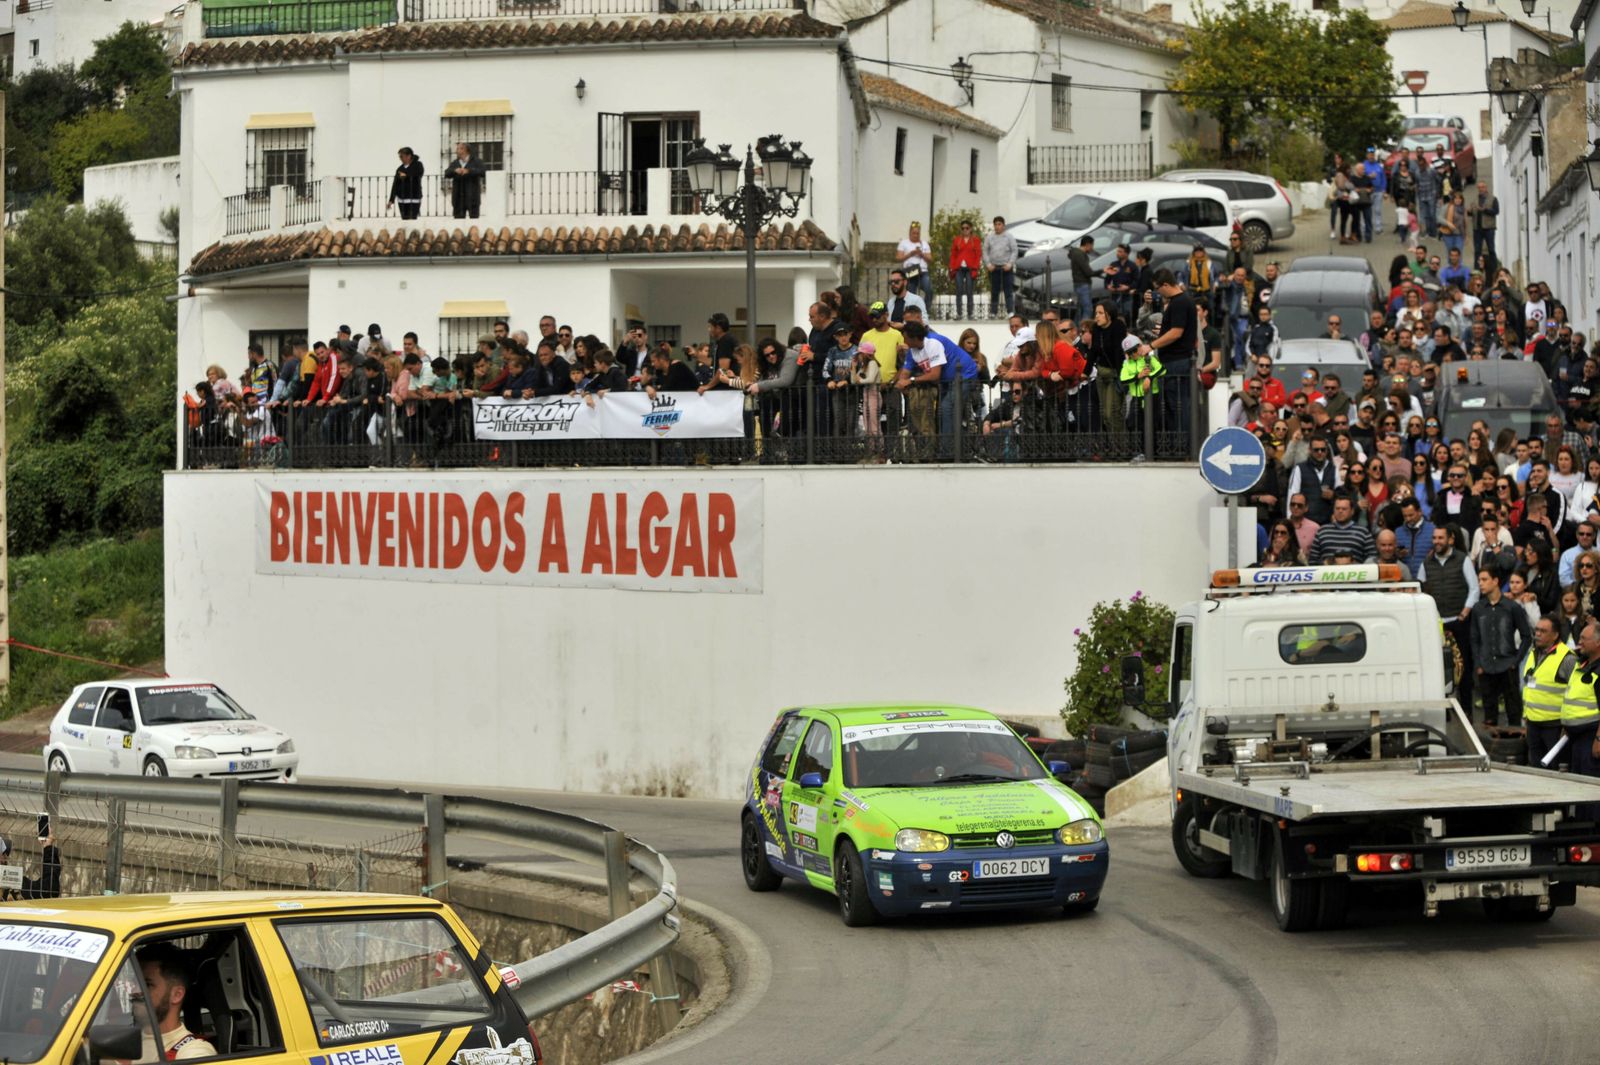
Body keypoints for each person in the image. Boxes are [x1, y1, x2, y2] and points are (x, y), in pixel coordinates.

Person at [1421, 524, 1479, 713]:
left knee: (1464, 667)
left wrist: (1465, 612)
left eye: (1440, 538)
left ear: (1450, 539)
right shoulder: (1426, 562)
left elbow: (1474, 588)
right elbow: (1420, 589)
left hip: (1458, 621)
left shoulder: (1463, 560)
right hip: (1435, 623)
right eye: (1434, 538)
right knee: (1436, 667)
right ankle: (1441, 710)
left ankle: (1467, 711)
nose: (1437, 542)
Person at [1471, 566, 1532, 727]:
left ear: (1496, 581)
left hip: (1507, 664)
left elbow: (1526, 636)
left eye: (1484, 580)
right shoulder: (1478, 609)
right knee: (1489, 711)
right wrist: (1478, 663)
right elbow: (1474, 638)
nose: (1481, 584)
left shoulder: (1512, 607)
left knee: (1513, 709)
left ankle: (1516, 746)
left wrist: (1515, 661)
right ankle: (1490, 748)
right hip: (1486, 665)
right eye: (1479, 580)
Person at [136, 943, 217, 1060]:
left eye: (147, 984)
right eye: (135, 982)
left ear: (176, 994)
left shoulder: (195, 1051)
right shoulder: (122, 1042)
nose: (134, 991)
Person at [1523, 614, 1577, 767]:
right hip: (1532, 724)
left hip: (1555, 727)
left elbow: (1576, 693)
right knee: (1535, 767)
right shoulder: (1533, 653)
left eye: (1543, 631)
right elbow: (1529, 688)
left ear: (1555, 635)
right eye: (1536, 630)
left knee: (1555, 768)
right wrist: (1526, 718)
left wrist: (1568, 725)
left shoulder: (1567, 659)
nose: (1537, 634)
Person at [1148, 268, 1196, 438]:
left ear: (1166, 285)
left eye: (1158, 288)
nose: (1158, 293)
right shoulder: (1182, 301)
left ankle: (1181, 445)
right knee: (1173, 405)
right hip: (1175, 361)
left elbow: (1176, 332)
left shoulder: (1179, 302)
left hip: (1176, 362)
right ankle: (1179, 443)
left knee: (1177, 406)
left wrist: (1151, 345)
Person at [1562, 618, 1600, 779]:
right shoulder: (1582, 665)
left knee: (1589, 786)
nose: (1579, 642)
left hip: (1590, 737)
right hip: (1575, 737)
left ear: (1598, 643)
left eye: (1584, 639)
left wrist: (1599, 739)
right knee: (1577, 783)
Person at [1309, 496, 1375, 563]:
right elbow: (1312, 560)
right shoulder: (1322, 531)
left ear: (1352, 511)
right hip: (1327, 572)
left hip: (1355, 572)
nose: (1340, 511)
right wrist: (1327, 563)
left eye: (1344, 509)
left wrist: (1354, 564)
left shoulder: (1363, 532)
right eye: (1337, 508)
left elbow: (1372, 558)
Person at [0, 831, 60, 901]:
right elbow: (50, 889)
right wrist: (48, 847)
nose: (6, 856)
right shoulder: (14, 884)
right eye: (4, 854)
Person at [983, 216, 1017, 316]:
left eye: (999, 224)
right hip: (994, 267)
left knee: (1008, 290)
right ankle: (993, 312)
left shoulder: (1009, 237)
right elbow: (985, 251)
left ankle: (1010, 311)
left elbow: (1014, 250)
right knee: (994, 290)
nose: (997, 227)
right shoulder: (989, 237)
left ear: (1003, 225)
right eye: (995, 225)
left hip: (1006, 267)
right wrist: (988, 264)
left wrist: (1010, 263)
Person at [948, 219, 981, 319]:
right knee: (959, 290)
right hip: (959, 268)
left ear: (970, 229)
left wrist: (975, 267)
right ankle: (959, 313)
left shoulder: (975, 240)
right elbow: (953, 254)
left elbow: (978, 255)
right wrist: (952, 267)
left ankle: (970, 313)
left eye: (967, 228)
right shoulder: (957, 240)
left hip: (970, 268)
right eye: (963, 228)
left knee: (969, 290)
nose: (965, 230)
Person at [896, 221, 933, 307]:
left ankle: (925, 310)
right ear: (910, 233)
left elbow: (930, 259)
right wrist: (910, 254)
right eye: (914, 233)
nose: (916, 235)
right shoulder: (904, 243)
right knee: (911, 293)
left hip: (923, 271)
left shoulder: (924, 244)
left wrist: (922, 254)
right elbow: (898, 258)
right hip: (910, 271)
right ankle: (911, 312)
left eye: (917, 233)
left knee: (929, 290)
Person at [446, 141, 484, 219]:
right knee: (458, 222)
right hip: (458, 198)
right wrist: (454, 171)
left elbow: (483, 172)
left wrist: (469, 171)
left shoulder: (476, 161)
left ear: (465, 150)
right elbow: (446, 173)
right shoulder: (455, 163)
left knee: (474, 221)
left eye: (458, 149)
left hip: (472, 197)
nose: (456, 151)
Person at [388, 146, 424, 220]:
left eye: (402, 156)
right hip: (402, 199)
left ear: (409, 156)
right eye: (400, 157)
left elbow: (419, 173)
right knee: (404, 219)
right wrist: (391, 200)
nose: (400, 158)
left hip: (414, 198)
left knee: (413, 219)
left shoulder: (418, 165)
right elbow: (395, 184)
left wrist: (406, 175)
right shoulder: (400, 169)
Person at [1067, 235, 1097, 318]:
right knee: (1088, 308)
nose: (1092, 248)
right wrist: (1102, 271)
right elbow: (1088, 272)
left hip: (1078, 284)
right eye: (1092, 245)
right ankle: (1084, 327)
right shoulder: (1079, 255)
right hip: (1082, 284)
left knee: (1080, 308)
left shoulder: (1076, 254)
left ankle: (1077, 327)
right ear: (1088, 244)